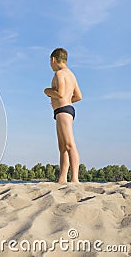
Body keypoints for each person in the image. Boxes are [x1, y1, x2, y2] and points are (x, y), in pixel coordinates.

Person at [44, 48, 82, 184]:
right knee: (62, 147)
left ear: (53, 59)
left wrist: (47, 91)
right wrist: (66, 100)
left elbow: (60, 93)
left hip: (63, 111)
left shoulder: (59, 73)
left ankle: (75, 178)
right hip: (64, 110)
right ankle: (62, 178)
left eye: (50, 61)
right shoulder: (71, 75)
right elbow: (78, 96)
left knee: (70, 144)